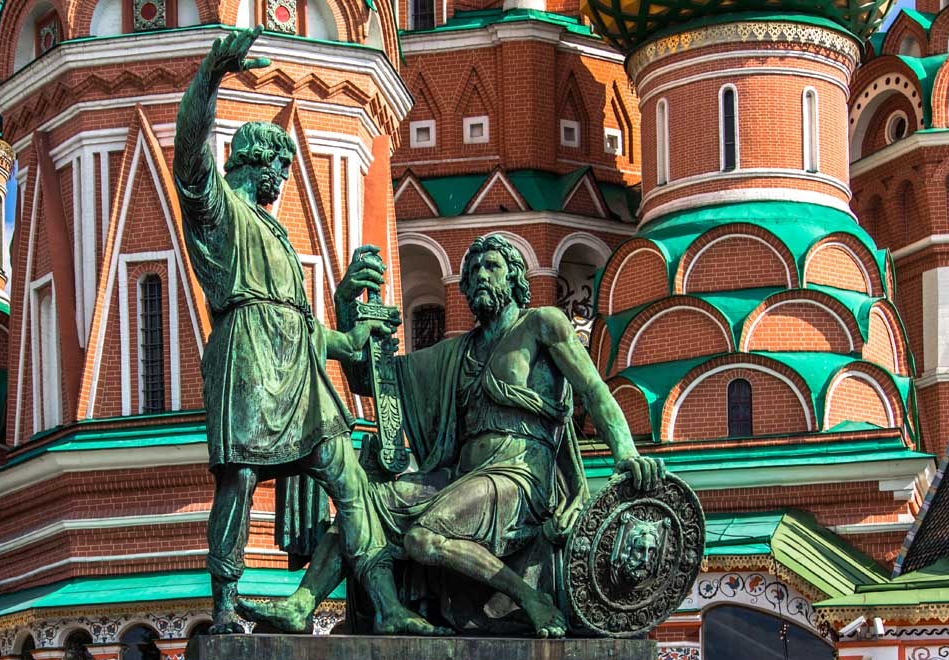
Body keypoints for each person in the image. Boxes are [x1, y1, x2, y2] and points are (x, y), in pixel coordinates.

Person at [240, 234, 665, 637]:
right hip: (462, 475)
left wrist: (626, 452)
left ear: (515, 278)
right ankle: (302, 605)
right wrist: (346, 304)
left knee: (423, 538)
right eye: (473, 270)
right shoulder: (458, 352)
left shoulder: (541, 324)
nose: (481, 275)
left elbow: (593, 390)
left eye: (492, 266)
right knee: (364, 501)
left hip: (519, 476)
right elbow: (370, 379)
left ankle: (531, 600)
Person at [174, 26, 445, 635]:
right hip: (247, 359)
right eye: (281, 167)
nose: (284, 180)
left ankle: (386, 605)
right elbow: (189, 155)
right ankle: (224, 603)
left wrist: (347, 335)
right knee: (240, 479)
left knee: (349, 478)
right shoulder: (221, 211)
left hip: (298, 371)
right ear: (258, 161)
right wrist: (212, 73)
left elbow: (300, 326)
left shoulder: (274, 232)